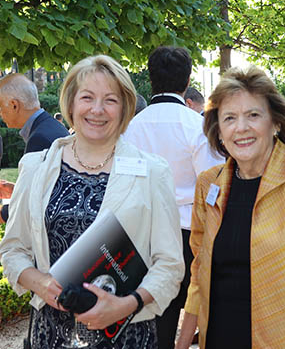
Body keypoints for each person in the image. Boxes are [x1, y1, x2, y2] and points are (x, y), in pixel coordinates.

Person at [0, 54, 184, 349]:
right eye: (87, 97)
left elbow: (170, 264)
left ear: (124, 109)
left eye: (110, 100)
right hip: (50, 334)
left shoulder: (152, 172)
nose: (97, 110)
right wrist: (40, 284)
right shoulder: (36, 167)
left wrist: (127, 305)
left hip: (125, 335)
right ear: (71, 103)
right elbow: (12, 250)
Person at [176, 66, 285, 349]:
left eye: (253, 115)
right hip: (218, 338)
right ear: (218, 130)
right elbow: (199, 273)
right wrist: (181, 344)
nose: (241, 128)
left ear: (275, 122)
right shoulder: (208, 184)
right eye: (229, 118)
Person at [124, 46, 223, 349]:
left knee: (158, 322)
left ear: (150, 78)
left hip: (144, 235)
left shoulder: (131, 127)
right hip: (188, 233)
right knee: (204, 315)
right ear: (187, 79)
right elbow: (213, 185)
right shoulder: (196, 125)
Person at [0, 73, 68, 224]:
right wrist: (17, 190)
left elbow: (42, 200)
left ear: (14, 105)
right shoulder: (50, 127)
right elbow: (48, 188)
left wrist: (3, 214)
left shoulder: (39, 138)